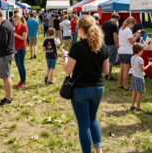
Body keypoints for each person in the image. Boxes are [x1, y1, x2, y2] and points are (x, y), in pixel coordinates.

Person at [61, 15, 109, 153]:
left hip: (80, 90)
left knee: (84, 124)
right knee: (93, 119)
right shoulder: (103, 46)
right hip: (98, 88)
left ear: (81, 29)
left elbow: (67, 70)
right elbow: (106, 71)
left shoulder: (77, 47)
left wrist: (65, 56)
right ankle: (99, 150)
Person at [0, 9, 15, 106]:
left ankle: (9, 98)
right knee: (6, 76)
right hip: (8, 53)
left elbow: (3, 42)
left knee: (6, 76)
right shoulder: (7, 23)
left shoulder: (4, 26)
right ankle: (8, 97)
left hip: (5, 54)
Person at [118, 17, 142, 90]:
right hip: (127, 51)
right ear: (131, 23)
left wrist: (134, 34)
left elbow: (127, 38)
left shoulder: (121, 29)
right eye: (133, 24)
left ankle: (120, 84)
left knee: (121, 69)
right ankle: (125, 86)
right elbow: (132, 41)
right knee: (126, 70)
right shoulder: (128, 30)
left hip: (121, 50)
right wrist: (137, 36)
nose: (133, 26)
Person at [130, 43, 152, 112]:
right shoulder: (140, 59)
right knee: (140, 92)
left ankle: (133, 105)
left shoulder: (132, 57)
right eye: (142, 50)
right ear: (139, 51)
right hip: (139, 77)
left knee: (134, 91)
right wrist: (149, 64)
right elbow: (143, 69)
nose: (143, 52)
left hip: (134, 76)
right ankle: (138, 108)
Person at [102, 13, 120, 80]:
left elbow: (102, 33)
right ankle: (109, 75)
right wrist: (117, 45)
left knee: (106, 59)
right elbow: (115, 36)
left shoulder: (105, 23)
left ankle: (106, 73)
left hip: (105, 43)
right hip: (112, 44)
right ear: (116, 18)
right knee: (111, 61)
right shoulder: (114, 25)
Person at [13, 14, 28, 88]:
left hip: (21, 48)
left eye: (15, 20)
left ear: (19, 19)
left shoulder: (23, 26)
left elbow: (24, 38)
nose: (14, 21)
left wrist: (15, 35)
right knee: (18, 65)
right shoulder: (16, 27)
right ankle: (21, 80)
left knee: (21, 65)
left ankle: (23, 81)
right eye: (13, 20)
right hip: (16, 49)